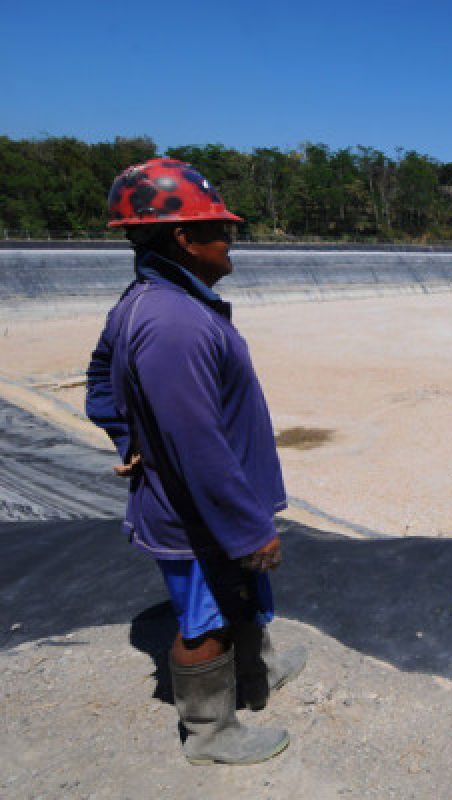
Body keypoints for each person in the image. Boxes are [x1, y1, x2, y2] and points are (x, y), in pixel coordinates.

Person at [86, 157, 305, 766]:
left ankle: (258, 671)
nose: (229, 239)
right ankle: (211, 734)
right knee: (202, 621)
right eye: (219, 228)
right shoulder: (172, 321)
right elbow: (196, 444)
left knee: (235, 594)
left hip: (210, 501)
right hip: (196, 511)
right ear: (184, 238)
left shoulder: (155, 299)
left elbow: (101, 382)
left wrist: (126, 436)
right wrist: (251, 528)